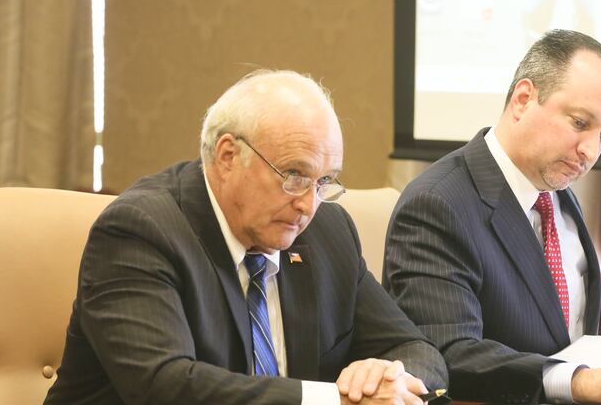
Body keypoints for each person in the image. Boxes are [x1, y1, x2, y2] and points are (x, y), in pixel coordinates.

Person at [45, 70, 447, 405]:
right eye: (294, 176)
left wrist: (389, 378)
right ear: (227, 156)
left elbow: (418, 351)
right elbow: (165, 387)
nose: (309, 205)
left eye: (324, 182)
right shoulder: (140, 231)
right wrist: (334, 400)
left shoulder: (328, 231)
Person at [383, 30, 601, 404]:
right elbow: (445, 354)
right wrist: (580, 382)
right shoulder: (437, 203)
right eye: (579, 123)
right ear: (523, 99)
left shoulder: (559, 197)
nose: (590, 150)